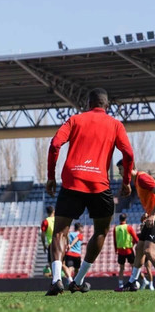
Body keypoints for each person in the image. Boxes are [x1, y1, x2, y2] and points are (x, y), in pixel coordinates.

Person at [45, 88, 134, 296]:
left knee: (59, 232)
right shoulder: (115, 124)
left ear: (88, 104)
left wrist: (51, 176)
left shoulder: (75, 120)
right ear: (107, 105)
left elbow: (55, 144)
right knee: (101, 232)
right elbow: (128, 153)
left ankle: (57, 279)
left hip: (72, 180)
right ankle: (78, 280)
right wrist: (127, 181)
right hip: (99, 184)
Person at [120, 162, 155, 291]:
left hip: (153, 219)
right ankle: (132, 282)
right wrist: (148, 213)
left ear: (130, 169)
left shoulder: (142, 178)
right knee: (139, 249)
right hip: (150, 217)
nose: (119, 173)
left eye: (121, 169)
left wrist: (153, 215)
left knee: (148, 251)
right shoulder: (137, 181)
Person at [113, 213, 138, 291]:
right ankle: (134, 282)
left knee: (121, 268)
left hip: (120, 251)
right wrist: (134, 244)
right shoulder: (129, 227)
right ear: (125, 219)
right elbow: (135, 238)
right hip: (129, 250)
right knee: (134, 267)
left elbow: (114, 240)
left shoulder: (116, 228)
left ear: (119, 219)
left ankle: (120, 284)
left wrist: (115, 250)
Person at [41, 205, 55, 275]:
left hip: (51, 244)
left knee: (51, 262)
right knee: (62, 263)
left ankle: (55, 280)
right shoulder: (58, 220)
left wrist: (44, 245)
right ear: (53, 211)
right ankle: (68, 279)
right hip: (60, 244)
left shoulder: (46, 221)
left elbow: (43, 234)